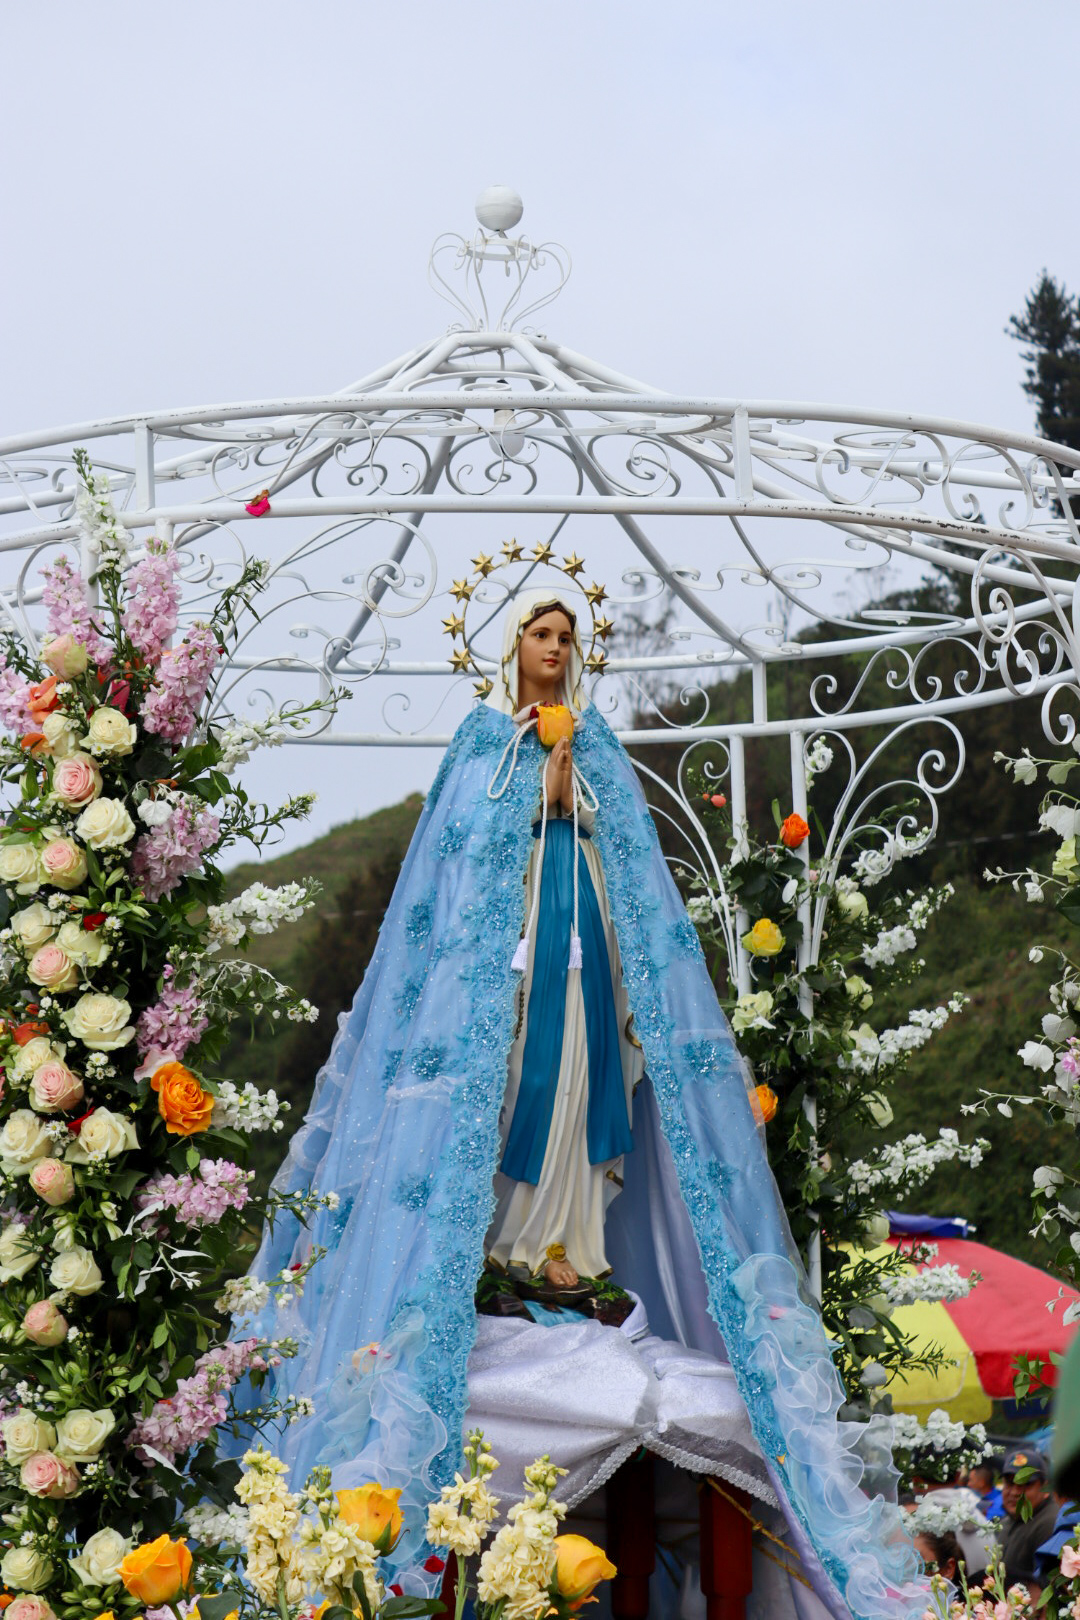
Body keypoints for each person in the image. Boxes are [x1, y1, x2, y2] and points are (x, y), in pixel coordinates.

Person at [242, 585, 926, 1619]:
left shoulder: (598, 753)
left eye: (569, 638)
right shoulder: (480, 750)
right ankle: (515, 1253)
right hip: (512, 986)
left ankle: (570, 1253)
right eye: (541, 635)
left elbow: (636, 886)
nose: (556, 652)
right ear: (510, 648)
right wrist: (531, 794)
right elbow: (455, 881)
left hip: (588, 971)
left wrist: (578, 797)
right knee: (522, 1098)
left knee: (579, 1102)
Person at [998, 1446, 1059, 1598]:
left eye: (1025, 1485)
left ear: (1045, 1488)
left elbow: (1048, 1590)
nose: (1014, 1492)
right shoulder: (1009, 1520)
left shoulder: (1050, 1522)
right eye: (1009, 1483)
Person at [966, 1458, 1004, 1523]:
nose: (968, 1484)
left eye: (971, 1480)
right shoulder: (978, 1498)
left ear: (981, 1483)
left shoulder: (999, 1502)